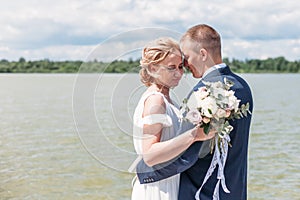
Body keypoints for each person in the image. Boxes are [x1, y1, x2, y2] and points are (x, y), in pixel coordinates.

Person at [136, 24, 253, 200]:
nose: (184, 68)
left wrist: (144, 172)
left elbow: (189, 154)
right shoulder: (241, 86)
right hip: (232, 188)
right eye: (173, 67)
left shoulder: (206, 92)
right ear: (153, 68)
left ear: (203, 54)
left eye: (185, 61)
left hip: (202, 191)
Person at [129, 37, 215, 200]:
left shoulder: (168, 99)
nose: (179, 73)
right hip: (158, 189)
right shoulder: (156, 100)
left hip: (172, 183)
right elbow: (150, 155)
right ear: (153, 68)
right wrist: (194, 135)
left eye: (181, 66)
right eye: (171, 68)